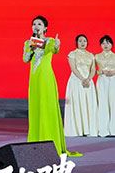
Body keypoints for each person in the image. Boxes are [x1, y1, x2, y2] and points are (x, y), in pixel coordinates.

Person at [23, 15, 80, 156]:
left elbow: (54, 50)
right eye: (34, 24)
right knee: (36, 107)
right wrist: (29, 48)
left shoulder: (50, 41)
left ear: (45, 27)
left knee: (47, 106)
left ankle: (50, 141)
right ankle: (36, 142)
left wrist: (57, 45)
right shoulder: (28, 42)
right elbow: (25, 59)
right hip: (34, 79)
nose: (36, 26)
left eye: (39, 24)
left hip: (46, 77)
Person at [64, 34, 98, 137]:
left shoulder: (91, 55)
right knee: (77, 103)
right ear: (76, 43)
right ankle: (77, 129)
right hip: (76, 81)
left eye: (84, 41)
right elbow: (73, 68)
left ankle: (88, 129)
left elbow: (93, 69)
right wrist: (82, 79)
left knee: (89, 103)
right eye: (80, 41)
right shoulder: (72, 54)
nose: (83, 43)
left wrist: (88, 79)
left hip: (88, 82)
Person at [96, 35, 115, 137]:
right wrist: (101, 72)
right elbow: (92, 71)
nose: (105, 45)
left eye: (107, 43)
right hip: (102, 80)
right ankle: (103, 129)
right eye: (103, 43)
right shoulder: (97, 56)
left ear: (112, 44)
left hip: (113, 80)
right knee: (103, 103)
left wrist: (113, 72)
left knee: (113, 103)